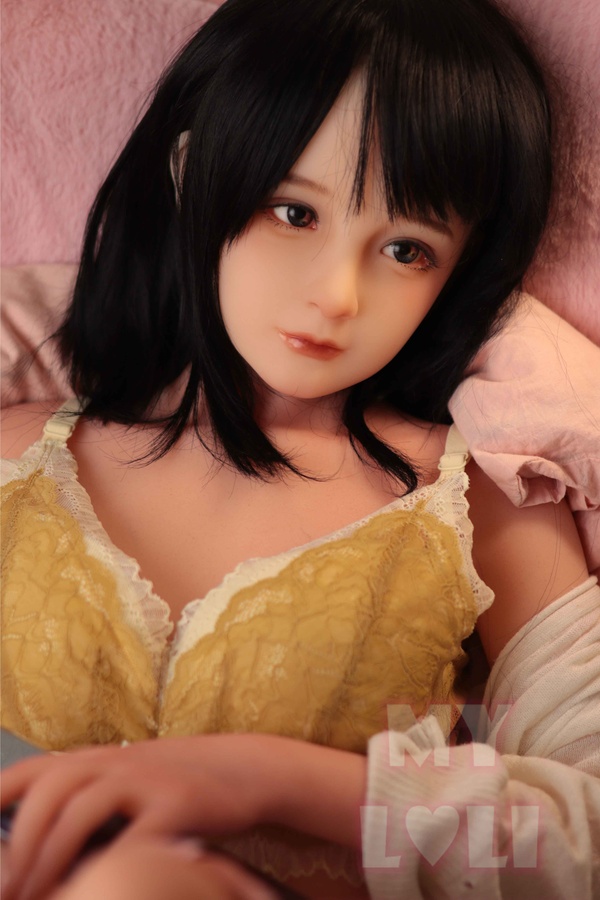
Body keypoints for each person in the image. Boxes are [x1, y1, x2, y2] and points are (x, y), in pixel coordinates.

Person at [1, 0, 598, 897]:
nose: (337, 295)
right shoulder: (15, 459)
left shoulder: (482, 499)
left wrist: (273, 781)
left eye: (407, 249)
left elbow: (588, 834)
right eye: (294, 211)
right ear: (192, 172)